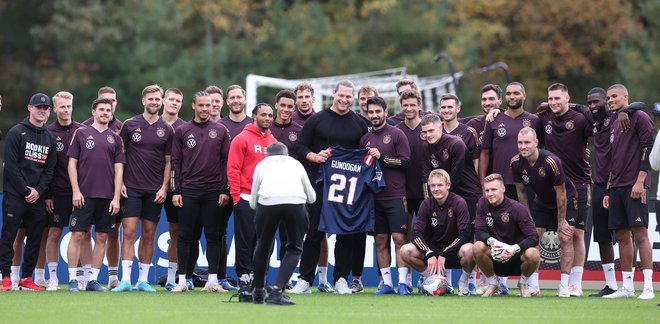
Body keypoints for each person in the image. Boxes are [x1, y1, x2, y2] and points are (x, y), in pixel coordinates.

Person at [291, 79, 369, 295]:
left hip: (348, 187)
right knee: (314, 232)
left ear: (352, 98)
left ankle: (341, 279)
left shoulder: (360, 123)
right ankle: (305, 279)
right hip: (320, 183)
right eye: (340, 95)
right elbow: (300, 146)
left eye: (348, 96)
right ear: (334, 95)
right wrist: (314, 156)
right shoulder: (317, 120)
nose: (344, 99)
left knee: (346, 233)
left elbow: (368, 153)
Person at [112, 85, 174, 292]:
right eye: (151, 99)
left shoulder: (167, 129)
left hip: (154, 191)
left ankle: (143, 280)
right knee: (128, 232)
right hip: (131, 189)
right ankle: (126, 279)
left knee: (149, 234)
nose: (154, 102)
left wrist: (164, 188)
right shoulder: (130, 125)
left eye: (158, 99)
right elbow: (119, 158)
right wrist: (119, 183)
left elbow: (168, 162)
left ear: (162, 101)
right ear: (143, 101)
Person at [170, 91, 231, 292]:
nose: (205, 109)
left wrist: (224, 189)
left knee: (213, 236)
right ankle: (183, 281)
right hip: (188, 191)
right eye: (202, 105)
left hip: (213, 192)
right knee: (186, 236)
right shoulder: (182, 130)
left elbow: (225, 162)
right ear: (194, 106)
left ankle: (212, 281)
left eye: (209, 105)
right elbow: (176, 162)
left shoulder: (221, 131)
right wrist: (176, 190)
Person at [537, 83, 592, 296]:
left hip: (578, 184)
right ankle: (533, 282)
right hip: (552, 185)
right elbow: (532, 138)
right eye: (550, 99)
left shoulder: (579, 120)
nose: (553, 103)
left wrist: (578, 106)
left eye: (557, 98)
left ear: (567, 98)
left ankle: (575, 284)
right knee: (551, 233)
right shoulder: (544, 118)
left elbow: (596, 127)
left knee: (576, 234)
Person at [66, 97, 125, 292]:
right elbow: (71, 164)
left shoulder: (116, 138)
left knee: (102, 237)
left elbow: (119, 170)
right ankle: (74, 279)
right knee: (77, 235)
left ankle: (93, 280)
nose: (105, 113)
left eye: (108, 110)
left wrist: (116, 197)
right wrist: (76, 190)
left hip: (107, 197)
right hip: (84, 195)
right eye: (101, 109)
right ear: (94, 112)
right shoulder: (81, 133)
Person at [511, 127, 578, 297]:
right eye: (520, 142)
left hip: (566, 200)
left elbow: (561, 192)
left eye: (527, 142)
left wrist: (561, 220)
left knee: (564, 236)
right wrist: (526, 219)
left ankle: (564, 285)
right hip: (541, 202)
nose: (523, 146)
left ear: (536, 143)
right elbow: (521, 192)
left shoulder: (551, 161)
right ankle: (533, 285)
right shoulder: (516, 163)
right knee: (532, 238)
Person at [602, 84, 654, 300]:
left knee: (640, 233)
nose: (610, 100)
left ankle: (649, 287)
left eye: (614, 96)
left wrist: (640, 181)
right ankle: (628, 287)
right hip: (616, 187)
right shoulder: (615, 123)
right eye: (608, 97)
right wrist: (608, 190)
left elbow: (649, 148)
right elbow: (615, 160)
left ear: (626, 97)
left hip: (635, 185)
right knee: (622, 236)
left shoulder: (640, 117)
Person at [0, 93, 57, 291]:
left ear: (49, 111)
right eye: (38, 107)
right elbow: (11, 167)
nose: (42, 111)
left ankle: (26, 278)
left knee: (34, 238)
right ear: (30, 108)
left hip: (37, 198)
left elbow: (49, 171)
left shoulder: (50, 138)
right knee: (9, 235)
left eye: (46, 108)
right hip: (16, 194)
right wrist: (25, 190)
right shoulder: (17, 132)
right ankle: (6, 278)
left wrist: (38, 192)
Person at [250, 142, 316, 305]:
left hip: (267, 203)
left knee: (263, 246)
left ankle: (258, 291)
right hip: (295, 203)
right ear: (286, 154)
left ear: (268, 155)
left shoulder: (262, 164)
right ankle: (277, 291)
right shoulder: (296, 164)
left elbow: (253, 201)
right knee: (294, 248)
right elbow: (312, 197)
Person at [360, 96, 411, 295]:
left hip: (396, 195)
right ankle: (387, 284)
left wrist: (383, 158)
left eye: (377, 112)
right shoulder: (364, 139)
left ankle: (404, 283)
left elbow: (406, 162)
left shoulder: (397, 134)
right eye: (370, 112)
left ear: (385, 112)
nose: (374, 115)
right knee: (380, 240)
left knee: (399, 238)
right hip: (375, 197)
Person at [399, 169, 475, 296]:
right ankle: (431, 280)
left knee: (470, 249)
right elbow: (416, 233)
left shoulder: (459, 202)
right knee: (405, 250)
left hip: (453, 252)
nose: (436, 189)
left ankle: (463, 282)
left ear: (448, 185)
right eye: (433, 186)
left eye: (439, 185)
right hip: (432, 252)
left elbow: (464, 234)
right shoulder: (426, 204)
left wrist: (445, 253)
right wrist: (429, 253)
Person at [227, 103, 277, 294]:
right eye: (263, 114)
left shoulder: (274, 141)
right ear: (254, 116)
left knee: (265, 242)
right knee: (245, 241)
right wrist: (237, 197)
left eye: (270, 115)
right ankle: (245, 277)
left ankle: (260, 279)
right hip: (246, 198)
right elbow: (233, 169)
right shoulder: (242, 139)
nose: (267, 118)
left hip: (269, 200)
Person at [41, 91, 85, 291]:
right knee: (54, 233)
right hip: (57, 192)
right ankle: (53, 279)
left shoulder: (82, 131)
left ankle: (82, 277)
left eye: (69, 106)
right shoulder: (48, 132)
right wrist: (48, 195)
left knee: (82, 234)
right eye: (63, 107)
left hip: (82, 193)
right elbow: (46, 167)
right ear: (55, 108)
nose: (66, 110)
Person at [473, 173, 540, 297]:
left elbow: (534, 237)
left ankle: (523, 283)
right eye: (487, 190)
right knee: (477, 246)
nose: (490, 193)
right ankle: (493, 283)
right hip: (495, 256)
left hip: (516, 259)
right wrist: (494, 242)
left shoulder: (517, 208)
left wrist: (513, 248)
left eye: (494, 189)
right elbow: (479, 231)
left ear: (503, 189)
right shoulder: (482, 203)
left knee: (534, 254)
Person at [84, 86, 123, 289]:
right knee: (83, 232)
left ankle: (112, 276)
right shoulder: (83, 129)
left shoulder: (121, 128)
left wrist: (120, 187)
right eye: (105, 102)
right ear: (96, 107)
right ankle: (84, 276)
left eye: (113, 102)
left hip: (112, 191)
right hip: (87, 191)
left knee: (111, 232)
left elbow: (124, 162)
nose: (109, 107)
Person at [160, 88, 188, 291]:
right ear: (163, 101)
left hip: (176, 189)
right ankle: (138, 278)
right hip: (150, 186)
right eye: (171, 99)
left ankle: (172, 278)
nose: (174, 103)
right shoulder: (151, 123)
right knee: (147, 233)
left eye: (178, 100)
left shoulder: (185, 128)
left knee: (176, 233)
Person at [439, 93, 480, 171]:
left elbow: (476, 160)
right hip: (440, 182)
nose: (446, 110)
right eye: (443, 107)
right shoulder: (435, 132)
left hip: (464, 182)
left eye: (450, 107)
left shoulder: (469, 132)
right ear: (439, 109)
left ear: (458, 109)